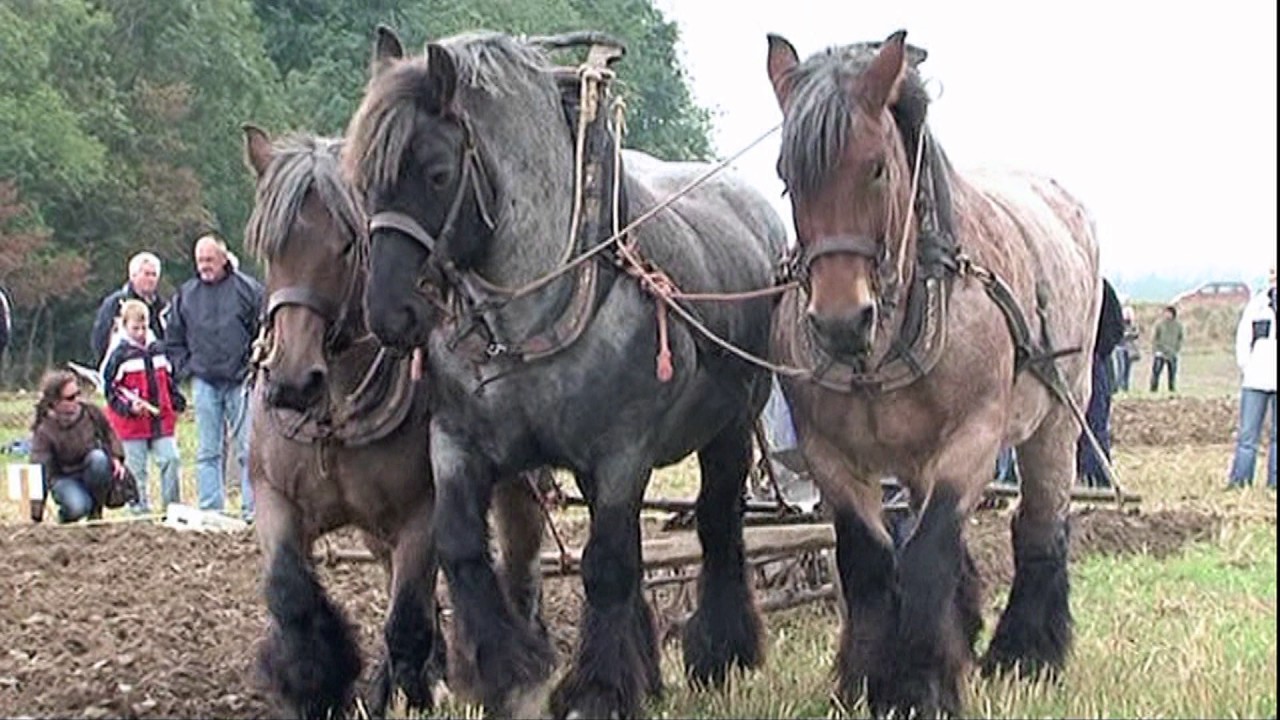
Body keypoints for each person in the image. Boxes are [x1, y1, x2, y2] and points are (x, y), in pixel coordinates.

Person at [165, 234, 263, 520]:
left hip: (241, 381)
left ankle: (252, 510)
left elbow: (264, 330)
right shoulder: (186, 295)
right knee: (208, 451)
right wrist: (186, 368)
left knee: (249, 449)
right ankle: (211, 511)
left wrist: (255, 367)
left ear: (223, 258)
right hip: (204, 383)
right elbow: (173, 338)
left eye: (209, 259)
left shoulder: (248, 290)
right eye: (200, 261)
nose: (204, 266)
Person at [102, 299, 186, 513]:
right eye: (135, 328)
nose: (140, 333)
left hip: (160, 420)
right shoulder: (119, 355)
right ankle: (139, 513)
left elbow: (168, 381)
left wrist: (177, 402)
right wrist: (129, 407)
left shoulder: (159, 350)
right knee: (136, 471)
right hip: (131, 425)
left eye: (144, 327)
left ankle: (172, 508)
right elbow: (110, 390)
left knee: (171, 459)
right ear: (124, 326)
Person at [28, 369, 129, 523]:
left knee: (99, 458)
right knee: (78, 507)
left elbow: (109, 433)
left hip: (90, 469)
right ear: (55, 401)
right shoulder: (44, 430)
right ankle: (66, 519)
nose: (77, 400)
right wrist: (36, 515)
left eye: (78, 394)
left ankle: (96, 511)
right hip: (62, 478)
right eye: (70, 397)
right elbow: (39, 469)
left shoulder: (91, 412)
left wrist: (116, 457)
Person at [1227, 265, 1277, 489]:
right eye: (1272, 273)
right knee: (1247, 436)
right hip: (1256, 379)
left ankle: (1274, 483)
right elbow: (1243, 340)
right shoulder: (1257, 306)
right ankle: (1240, 480)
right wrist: (1247, 368)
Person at [1078, 279, 1125, 487]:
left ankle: (1096, 474)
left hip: (1094, 362)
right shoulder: (1069, 286)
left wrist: (1096, 352)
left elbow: (1116, 328)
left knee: (1095, 421)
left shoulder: (1101, 288)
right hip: (1068, 361)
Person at [90, 251, 169, 366]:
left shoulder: (163, 308)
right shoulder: (116, 304)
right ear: (133, 275)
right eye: (146, 274)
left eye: (154, 275)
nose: (151, 279)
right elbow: (100, 339)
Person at [1149, 304, 1184, 393]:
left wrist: (1176, 349)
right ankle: (1153, 389)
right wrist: (1156, 350)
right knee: (1156, 372)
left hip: (1172, 353)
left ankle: (1171, 389)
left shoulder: (1178, 325)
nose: (1167, 315)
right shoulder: (1159, 324)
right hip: (1160, 353)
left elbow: (1180, 338)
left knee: (1172, 373)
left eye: (1169, 313)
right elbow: (1155, 338)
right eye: (1166, 313)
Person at [1114, 305, 1140, 392]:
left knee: (1128, 368)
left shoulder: (1133, 325)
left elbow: (1136, 334)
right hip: (1120, 347)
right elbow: (1116, 335)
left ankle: (1125, 387)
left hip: (1129, 349)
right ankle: (1117, 387)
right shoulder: (1119, 324)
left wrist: (1130, 334)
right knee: (1121, 368)